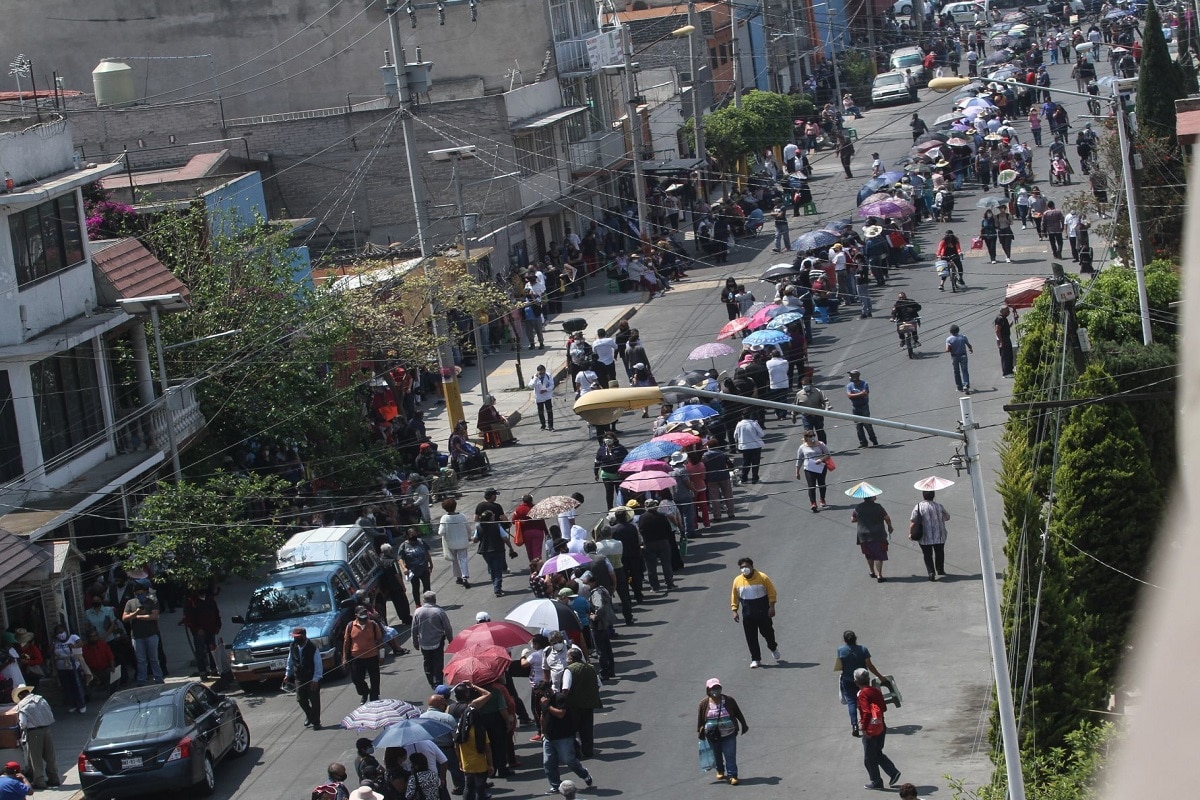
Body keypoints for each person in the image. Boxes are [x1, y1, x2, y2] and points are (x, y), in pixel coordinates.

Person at [696, 678, 749, 785]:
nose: (716, 691)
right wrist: (700, 732)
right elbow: (701, 720)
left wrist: (744, 725)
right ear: (708, 690)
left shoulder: (729, 700)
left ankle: (732, 775)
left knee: (730, 754)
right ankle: (720, 769)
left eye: (718, 688)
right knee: (717, 754)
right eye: (713, 689)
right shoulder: (704, 703)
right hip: (712, 735)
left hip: (729, 733)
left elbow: (738, 713)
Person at [834, 631, 888, 737]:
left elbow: (839, 666)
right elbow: (870, 665)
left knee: (851, 702)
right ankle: (874, 721)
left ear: (845, 640)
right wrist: (881, 677)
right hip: (863, 680)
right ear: (856, 638)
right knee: (867, 701)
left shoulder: (840, 650)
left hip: (848, 679)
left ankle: (854, 725)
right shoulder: (863, 649)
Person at [856, 668, 901, 789]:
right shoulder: (876, 691)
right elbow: (884, 708)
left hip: (871, 729)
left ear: (856, 682)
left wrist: (864, 728)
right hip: (881, 726)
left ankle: (876, 781)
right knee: (877, 752)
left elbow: (866, 712)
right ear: (869, 680)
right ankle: (893, 772)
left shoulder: (862, 694)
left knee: (869, 758)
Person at [731, 558, 779, 668]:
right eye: (742, 567)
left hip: (763, 613)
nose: (744, 569)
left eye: (746, 566)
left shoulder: (762, 578)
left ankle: (773, 647)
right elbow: (734, 596)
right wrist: (734, 610)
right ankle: (756, 658)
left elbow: (772, 593)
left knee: (768, 633)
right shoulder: (737, 581)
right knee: (751, 637)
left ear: (752, 566)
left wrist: (772, 607)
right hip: (748, 615)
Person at [453, 684, 494, 800]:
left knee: (468, 786)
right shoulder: (480, 731)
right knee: (480, 785)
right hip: (480, 764)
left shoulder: (459, 731)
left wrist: (460, 761)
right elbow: (488, 749)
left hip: (466, 763)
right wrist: (490, 765)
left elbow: (456, 745)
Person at [12, 685, 58, 789]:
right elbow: (50, 714)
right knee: (50, 756)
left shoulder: (23, 705)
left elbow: (23, 723)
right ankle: (54, 778)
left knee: (35, 758)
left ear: (20, 696)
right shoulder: (41, 699)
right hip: (47, 729)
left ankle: (39, 781)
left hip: (34, 732)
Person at [562, 648, 602, 757]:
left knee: (572, 729)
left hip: (574, 704)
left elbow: (566, 689)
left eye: (567, 656)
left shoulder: (569, 670)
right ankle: (588, 751)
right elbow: (598, 684)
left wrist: (562, 702)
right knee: (587, 729)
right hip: (589, 704)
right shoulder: (591, 668)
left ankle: (576, 752)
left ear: (571, 658)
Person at [122, 579, 162, 685]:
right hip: (137, 636)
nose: (140, 595)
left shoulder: (152, 601)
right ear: (135, 594)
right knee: (141, 660)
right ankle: (141, 680)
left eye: (142, 593)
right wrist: (135, 613)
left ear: (145, 592)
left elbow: (154, 616)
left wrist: (138, 616)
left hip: (151, 634)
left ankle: (158, 678)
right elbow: (125, 618)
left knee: (154, 658)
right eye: (138, 594)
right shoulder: (130, 603)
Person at [412, 592, 454, 690]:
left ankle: (431, 682)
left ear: (424, 600)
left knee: (427, 662)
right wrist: (450, 639)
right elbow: (447, 627)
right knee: (438, 662)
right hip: (438, 642)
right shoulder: (439, 611)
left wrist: (415, 642)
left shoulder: (417, 612)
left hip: (424, 643)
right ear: (434, 600)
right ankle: (438, 683)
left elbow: (414, 629)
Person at [285, 627, 323, 730]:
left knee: (314, 700)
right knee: (301, 699)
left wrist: (315, 679)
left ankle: (316, 722)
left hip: (312, 678)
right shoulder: (293, 646)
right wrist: (287, 675)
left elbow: (318, 664)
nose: (295, 639)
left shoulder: (313, 647)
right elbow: (290, 661)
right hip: (299, 678)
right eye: (294, 637)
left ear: (304, 636)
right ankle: (309, 715)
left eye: (297, 637)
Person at [344, 605, 384, 704]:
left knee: (375, 679)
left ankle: (374, 698)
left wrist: (382, 656)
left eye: (365, 613)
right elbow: (346, 643)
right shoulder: (350, 626)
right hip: (356, 658)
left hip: (372, 657)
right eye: (361, 614)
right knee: (356, 679)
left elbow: (380, 641)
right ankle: (365, 692)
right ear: (356, 615)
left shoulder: (373, 624)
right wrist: (344, 658)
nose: (364, 616)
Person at [474, 510, 517, 597]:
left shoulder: (479, 527)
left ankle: (495, 585)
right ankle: (497, 589)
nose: (494, 517)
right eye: (492, 516)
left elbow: (475, 540)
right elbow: (505, 538)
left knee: (492, 568)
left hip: (485, 552)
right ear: (490, 518)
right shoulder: (497, 526)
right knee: (497, 570)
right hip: (497, 550)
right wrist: (511, 548)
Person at [181, 587, 222, 680]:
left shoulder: (210, 600)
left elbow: (216, 613)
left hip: (211, 629)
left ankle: (214, 669)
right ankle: (202, 672)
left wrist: (218, 626)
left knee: (212, 650)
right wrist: (196, 629)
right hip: (199, 632)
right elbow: (188, 618)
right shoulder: (191, 601)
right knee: (200, 652)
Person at [910, 490, 951, 580]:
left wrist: (911, 533)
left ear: (923, 496)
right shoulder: (939, 506)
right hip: (939, 534)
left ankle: (931, 572)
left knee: (927, 554)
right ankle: (940, 569)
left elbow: (913, 521)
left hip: (924, 536)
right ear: (933, 496)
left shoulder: (918, 507)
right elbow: (947, 517)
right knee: (939, 552)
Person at [851, 495, 894, 582]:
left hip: (863, 535)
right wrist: (890, 526)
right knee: (879, 555)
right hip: (877, 534)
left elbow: (852, 519)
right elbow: (887, 518)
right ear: (871, 497)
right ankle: (879, 575)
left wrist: (861, 518)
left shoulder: (858, 507)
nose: (876, 497)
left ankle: (871, 571)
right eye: (874, 496)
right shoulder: (878, 507)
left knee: (868, 554)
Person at [638, 499, 676, 594]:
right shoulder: (662, 516)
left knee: (651, 567)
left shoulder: (643, 517)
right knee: (666, 564)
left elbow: (641, 530)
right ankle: (670, 583)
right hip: (663, 542)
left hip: (649, 543)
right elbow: (668, 529)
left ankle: (654, 587)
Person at [49, 623, 88, 713]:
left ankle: (81, 704)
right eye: (58, 633)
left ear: (66, 631)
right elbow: (51, 653)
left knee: (76, 685)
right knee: (67, 687)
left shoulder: (73, 637)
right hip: (61, 667)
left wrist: (74, 646)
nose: (61, 634)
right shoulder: (55, 642)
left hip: (73, 666)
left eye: (62, 632)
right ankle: (73, 704)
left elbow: (81, 643)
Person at [438, 498, 472, 588]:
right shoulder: (462, 516)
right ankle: (465, 576)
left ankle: (458, 577)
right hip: (463, 542)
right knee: (463, 559)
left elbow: (441, 532)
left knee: (454, 560)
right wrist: (469, 536)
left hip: (451, 543)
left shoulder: (444, 518)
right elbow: (468, 528)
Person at [796, 430, 832, 513]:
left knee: (822, 484)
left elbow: (828, 454)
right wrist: (797, 471)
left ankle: (822, 499)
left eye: (813, 435)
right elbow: (799, 460)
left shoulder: (820, 444)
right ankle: (813, 503)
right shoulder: (802, 447)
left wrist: (821, 459)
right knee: (811, 486)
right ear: (806, 437)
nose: (812, 437)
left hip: (820, 467)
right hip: (809, 468)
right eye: (810, 436)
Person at [399, 526, 435, 601]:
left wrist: (430, 564)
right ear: (408, 536)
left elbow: (427, 553)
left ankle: (428, 601)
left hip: (424, 568)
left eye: (415, 534)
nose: (414, 536)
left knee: (427, 586)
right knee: (415, 587)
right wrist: (404, 568)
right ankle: (417, 603)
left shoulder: (421, 542)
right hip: (412, 571)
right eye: (412, 534)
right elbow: (400, 559)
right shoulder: (404, 546)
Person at [593, 433, 628, 507]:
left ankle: (621, 508)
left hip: (618, 475)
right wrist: (596, 473)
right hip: (606, 475)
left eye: (610, 438)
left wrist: (624, 471)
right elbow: (597, 462)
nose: (608, 440)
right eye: (606, 438)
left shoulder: (620, 448)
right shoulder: (601, 449)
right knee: (609, 492)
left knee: (620, 492)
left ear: (614, 439)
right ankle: (610, 509)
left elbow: (627, 460)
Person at [846, 370, 879, 448]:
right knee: (858, 426)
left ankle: (874, 440)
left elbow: (865, 394)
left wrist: (854, 395)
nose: (850, 377)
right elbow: (849, 396)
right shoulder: (849, 385)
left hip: (864, 407)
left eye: (851, 375)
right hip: (855, 408)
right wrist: (860, 394)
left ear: (856, 376)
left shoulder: (864, 383)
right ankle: (863, 443)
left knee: (867, 425)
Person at [794, 375, 830, 442]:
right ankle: (810, 447)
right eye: (803, 384)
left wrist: (827, 408)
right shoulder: (799, 394)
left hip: (818, 416)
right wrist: (793, 415)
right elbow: (796, 406)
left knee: (820, 431)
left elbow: (825, 401)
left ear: (811, 384)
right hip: (807, 417)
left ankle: (823, 447)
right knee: (808, 433)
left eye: (806, 384)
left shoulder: (818, 391)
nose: (805, 386)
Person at [732, 411, 765, 484]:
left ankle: (744, 478)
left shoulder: (739, 424)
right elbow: (761, 434)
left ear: (742, 416)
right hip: (755, 446)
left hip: (745, 447)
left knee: (746, 462)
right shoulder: (754, 424)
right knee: (755, 463)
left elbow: (735, 436)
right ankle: (754, 478)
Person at [945, 324, 974, 392]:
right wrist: (970, 349)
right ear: (958, 330)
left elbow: (947, 350)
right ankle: (966, 384)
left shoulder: (948, 339)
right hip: (963, 355)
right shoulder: (963, 337)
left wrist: (950, 347)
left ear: (950, 331)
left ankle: (959, 386)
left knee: (956, 372)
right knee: (965, 370)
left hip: (954, 356)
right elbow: (969, 345)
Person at [531, 365, 555, 431]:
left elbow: (552, 385)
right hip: (539, 397)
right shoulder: (534, 377)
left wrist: (546, 390)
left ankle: (550, 426)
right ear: (538, 372)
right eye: (540, 373)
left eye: (543, 372)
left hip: (547, 396)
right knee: (540, 412)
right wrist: (535, 378)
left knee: (549, 411)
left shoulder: (548, 375)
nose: (542, 374)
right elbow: (531, 386)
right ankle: (543, 425)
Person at [994, 306, 1015, 378]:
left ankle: (1009, 370)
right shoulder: (999, 319)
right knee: (1005, 355)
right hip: (1003, 339)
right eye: (1007, 311)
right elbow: (997, 331)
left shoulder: (1003, 318)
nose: (1008, 312)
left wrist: (1013, 321)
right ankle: (1006, 373)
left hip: (1006, 338)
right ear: (1002, 311)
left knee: (1009, 354)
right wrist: (1001, 341)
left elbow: (1006, 327)